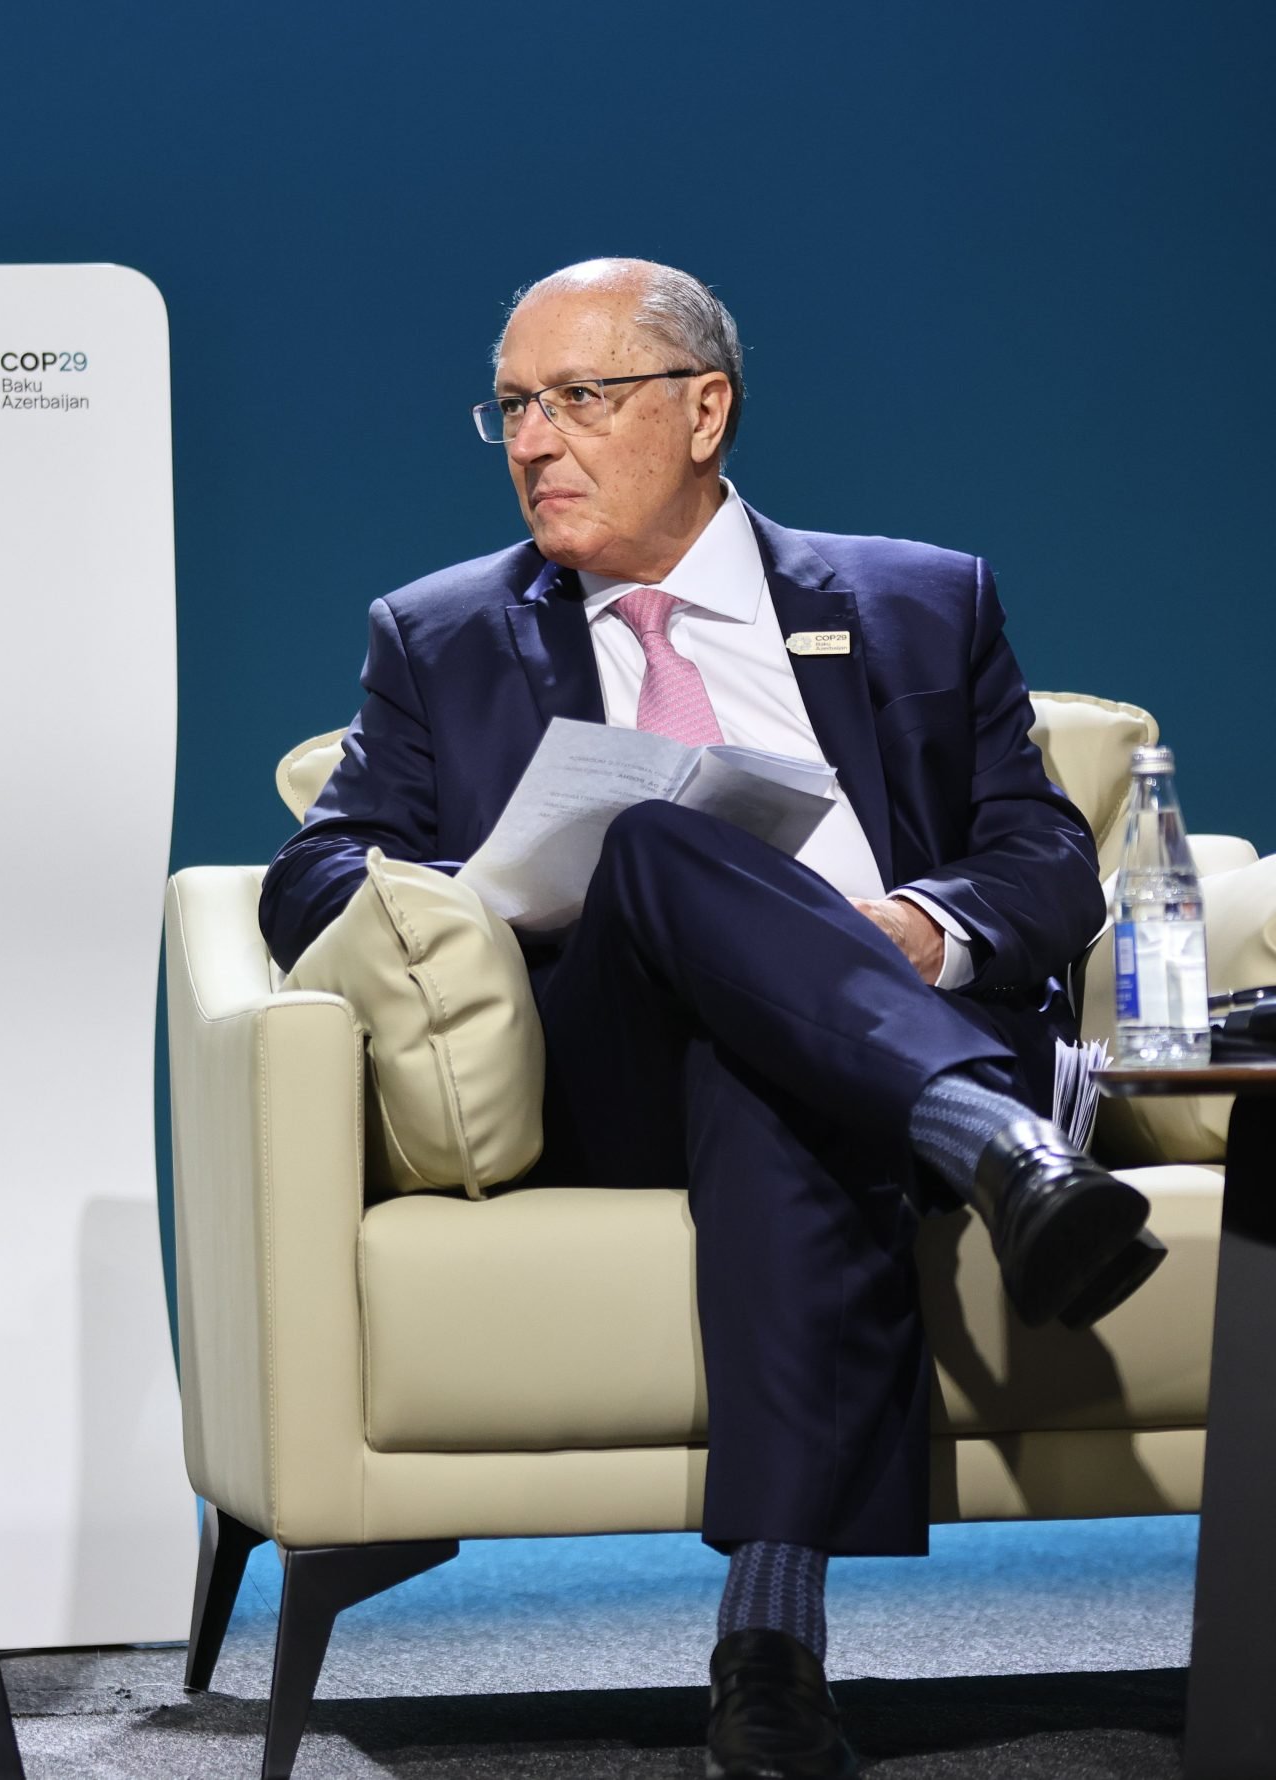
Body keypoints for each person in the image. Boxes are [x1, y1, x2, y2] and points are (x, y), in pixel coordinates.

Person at [261, 259, 1160, 1780]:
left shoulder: (915, 602)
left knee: (770, 1065)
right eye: (514, 409)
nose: (536, 441)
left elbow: (1042, 859)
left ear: (704, 411)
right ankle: (993, 1144)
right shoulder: (443, 633)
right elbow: (310, 878)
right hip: (608, 1068)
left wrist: (921, 931)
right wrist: (476, 893)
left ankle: (768, 1653)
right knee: (663, 840)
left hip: (850, 1040)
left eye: (580, 398)